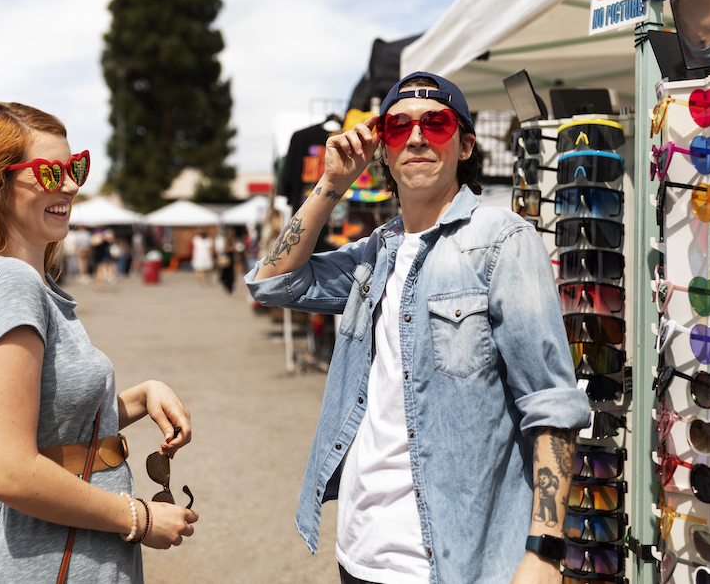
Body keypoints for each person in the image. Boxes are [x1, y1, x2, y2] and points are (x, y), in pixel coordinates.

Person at [246, 72, 590, 584]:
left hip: (455, 560)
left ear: (465, 143)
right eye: (397, 126)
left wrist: (542, 552)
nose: (417, 136)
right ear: (382, 147)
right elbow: (272, 285)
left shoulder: (501, 241)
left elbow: (551, 403)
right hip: (361, 550)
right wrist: (331, 184)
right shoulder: (377, 251)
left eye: (437, 121)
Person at [0, 102, 198, 583]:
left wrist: (141, 396)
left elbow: (51, 424)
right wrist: (139, 518)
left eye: (74, 167)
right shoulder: (5, 283)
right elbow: (7, 469)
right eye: (48, 172)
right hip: (49, 562)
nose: (69, 185)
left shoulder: (22, 282)